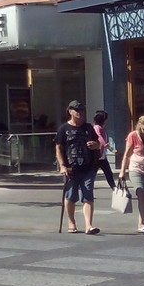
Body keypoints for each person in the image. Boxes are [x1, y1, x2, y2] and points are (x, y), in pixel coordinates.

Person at [54, 100, 101, 235]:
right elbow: (58, 148)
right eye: (76, 110)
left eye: (82, 110)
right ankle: (71, 222)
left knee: (88, 196)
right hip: (70, 169)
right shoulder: (64, 129)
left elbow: (98, 143)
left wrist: (95, 145)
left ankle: (89, 225)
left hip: (88, 167)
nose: (80, 112)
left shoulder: (88, 128)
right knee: (70, 196)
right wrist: (62, 166)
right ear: (70, 111)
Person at [92, 110, 118, 190]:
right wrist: (110, 148)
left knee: (108, 173)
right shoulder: (97, 127)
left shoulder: (102, 128)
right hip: (96, 156)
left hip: (102, 156)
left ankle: (115, 189)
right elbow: (99, 138)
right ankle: (87, 191)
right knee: (92, 175)